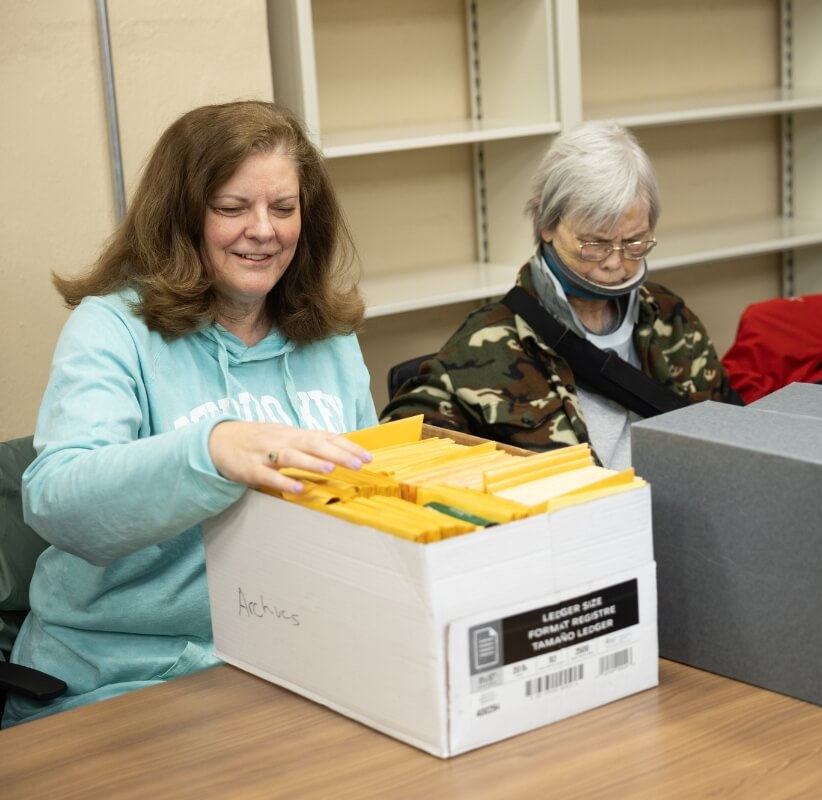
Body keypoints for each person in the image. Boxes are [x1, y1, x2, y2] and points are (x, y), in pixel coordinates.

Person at [3, 101, 377, 727]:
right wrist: (211, 451)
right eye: (233, 208)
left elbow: (363, 507)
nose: (264, 229)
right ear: (182, 216)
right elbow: (56, 500)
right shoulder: (112, 328)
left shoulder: (329, 338)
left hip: (288, 666)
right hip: (121, 682)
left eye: (283, 209)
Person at [380, 121, 737, 468]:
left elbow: (734, 432)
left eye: (634, 242)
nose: (615, 263)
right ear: (546, 224)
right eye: (594, 243)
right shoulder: (487, 344)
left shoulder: (670, 316)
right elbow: (401, 448)